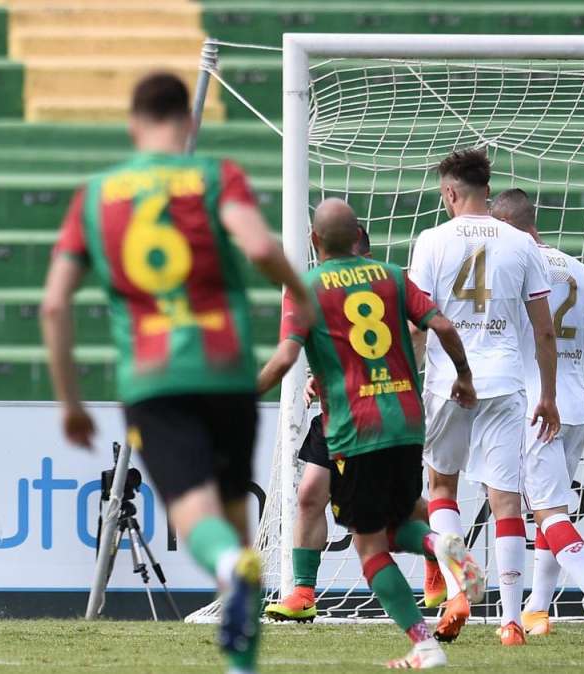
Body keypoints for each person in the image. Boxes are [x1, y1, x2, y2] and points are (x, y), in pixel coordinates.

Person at [41, 71, 313, 674]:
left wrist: (70, 402)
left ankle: (226, 571)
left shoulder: (96, 195)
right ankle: (242, 659)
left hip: (153, 377)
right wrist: (303, 296)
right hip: (227, 370)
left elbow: (55, 304)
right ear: (189, 122)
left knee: (192, 505)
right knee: (235, 509)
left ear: (135, 123)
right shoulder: (219, 176)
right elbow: (263, 249)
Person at [258, 198, 483, 669]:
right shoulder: (393, 276)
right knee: (399, 523)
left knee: (370, 548)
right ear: (359, 233)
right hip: (406, 423)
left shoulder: (304, 288)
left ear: (314, 241)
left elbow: (283, 359)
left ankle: (424, 644)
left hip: (355, 430)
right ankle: (440, 545)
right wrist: (463, 376)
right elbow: (441, 324)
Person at [409, 149, 561, 646]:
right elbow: (544, 332)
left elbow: (418, 324)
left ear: (451, 193)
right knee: (506, 501)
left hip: (448, 381)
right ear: (485, 188)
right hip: (505, 381)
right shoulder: (521, 243)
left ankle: (456, 589)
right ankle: (513, 621)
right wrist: (550, 396)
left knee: (442, 488)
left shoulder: (431, 241)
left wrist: (411, 382)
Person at [490, 188, 584, 636]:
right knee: (551, 509)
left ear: (509, 227)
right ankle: (537, 610)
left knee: (549, 513)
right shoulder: (579, 269)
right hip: (574, 406)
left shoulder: (515, 269)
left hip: (535, 405)